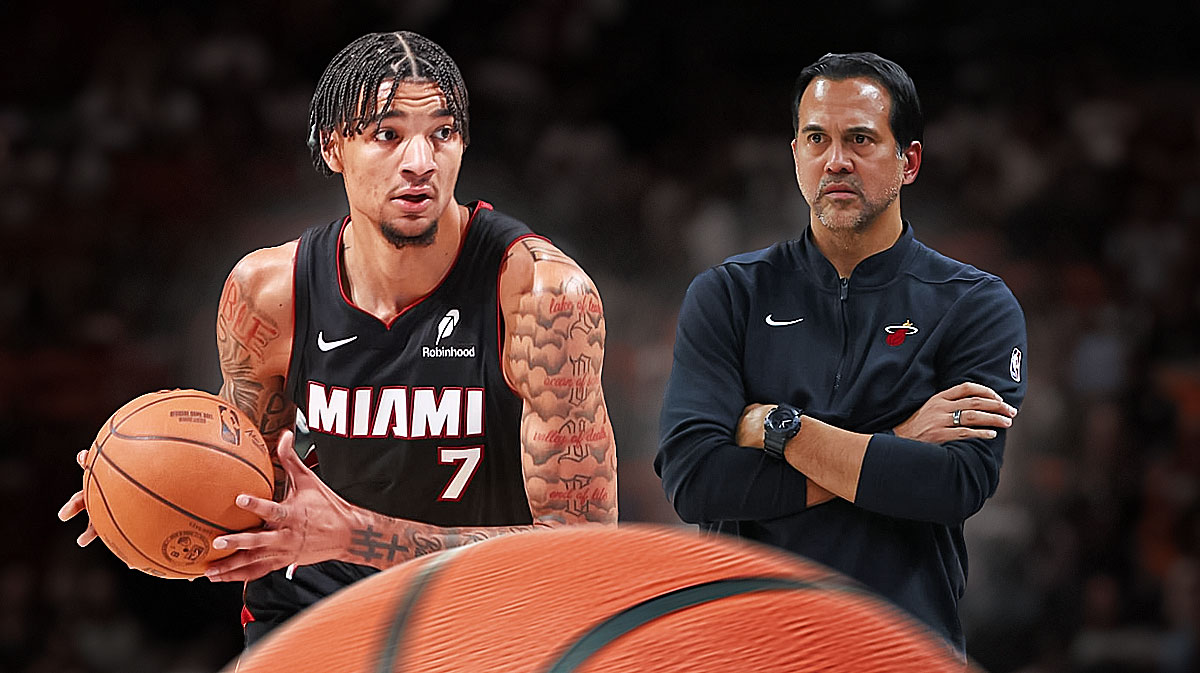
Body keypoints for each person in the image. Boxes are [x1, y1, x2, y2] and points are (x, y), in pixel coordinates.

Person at [58, 31, 617, 646]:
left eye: (442, 132)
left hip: (475, 621)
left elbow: (580, 552)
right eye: (387, 133)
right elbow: (247, 476)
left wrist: (356, 537)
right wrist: (147, 479)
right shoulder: (267, 293)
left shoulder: (543, 296)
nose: (420, 161)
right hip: (312, 614)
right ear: (334, 147)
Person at [654, 51, 1026, 651]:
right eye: (816, 139)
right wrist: (898, 444)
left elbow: (954, 484)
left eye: (860, 139)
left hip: (901, 651)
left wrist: (777, 428)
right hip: (748, 653)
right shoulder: (729, 294)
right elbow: (696, 480)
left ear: (909, 162)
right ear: (795, 154)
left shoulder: (975, 304)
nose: (836, 161)